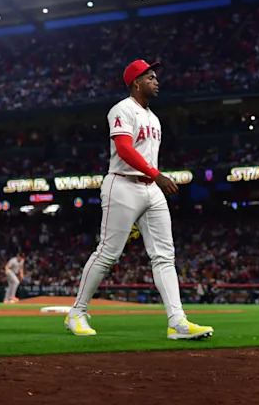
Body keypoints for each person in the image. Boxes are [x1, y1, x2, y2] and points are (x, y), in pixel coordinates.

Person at [64, 59, 214, 340]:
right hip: (122, 185)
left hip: (150, 190)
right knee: (108, 254)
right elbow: (123, 149)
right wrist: (156, 174)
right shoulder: (122, 109)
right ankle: (77, 313)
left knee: (164, 256)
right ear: (136, 82)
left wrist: (153, 178)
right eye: (151, 77)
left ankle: (177, 321)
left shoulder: (154, 118)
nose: (156, 81)